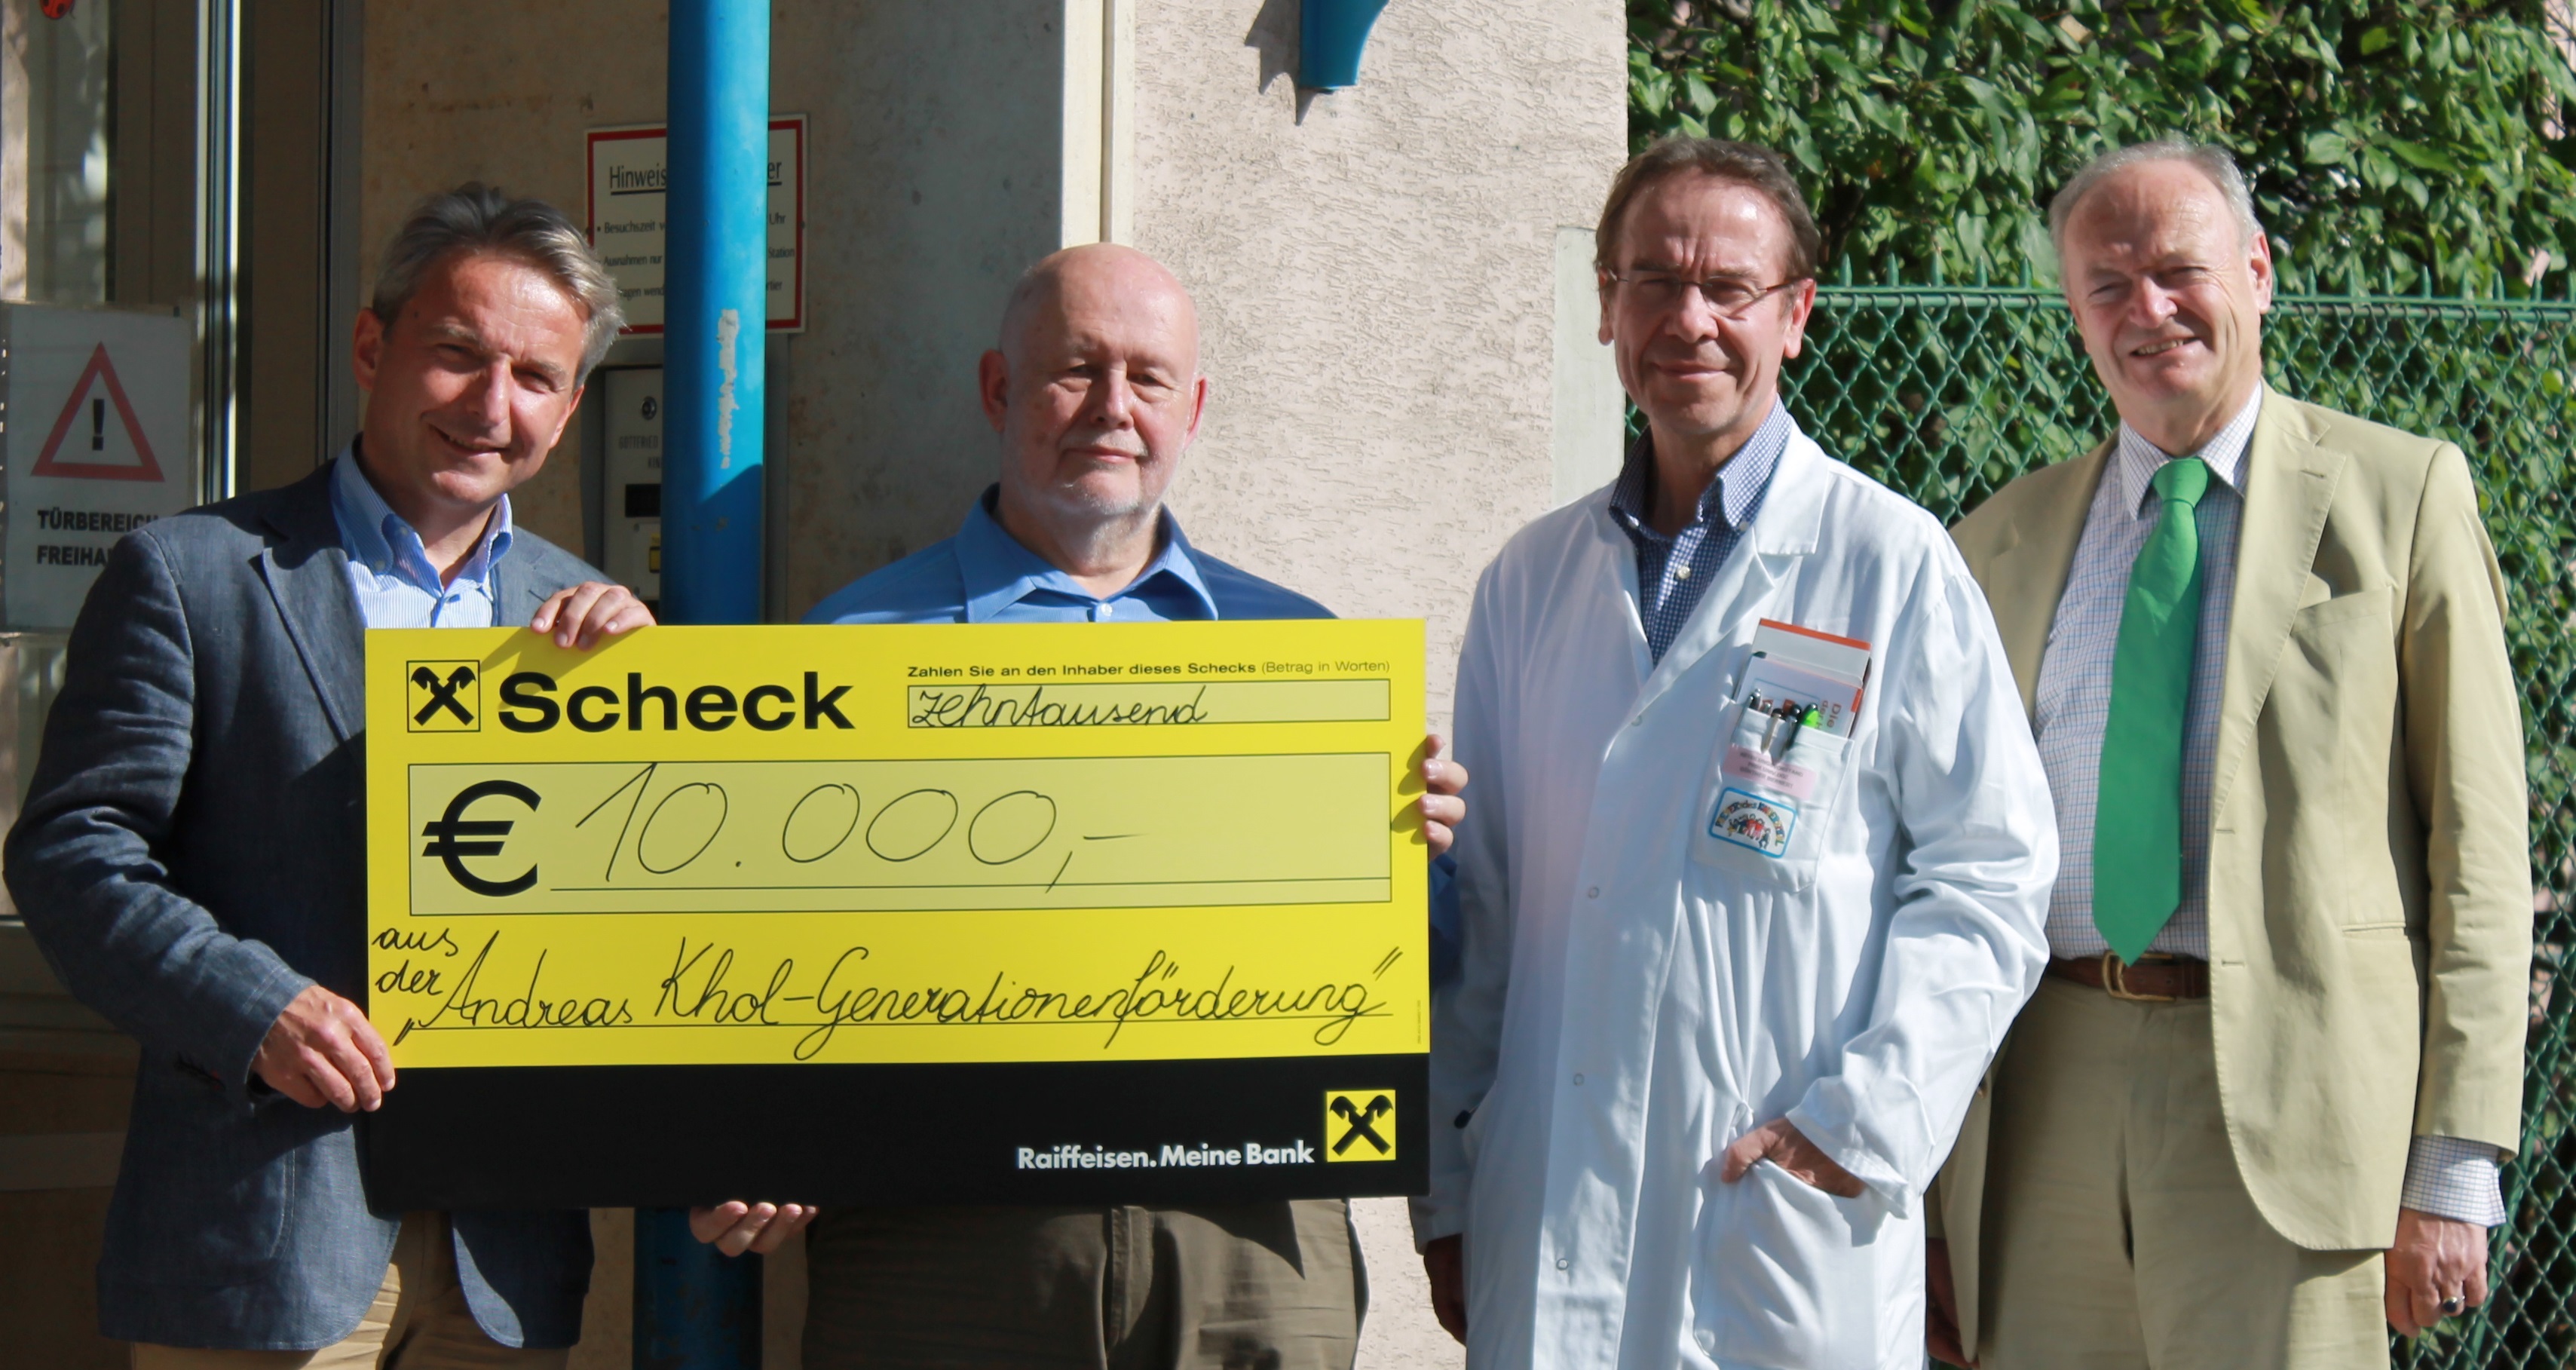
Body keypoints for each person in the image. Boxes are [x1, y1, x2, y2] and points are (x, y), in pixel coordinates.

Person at [690, 241, 1467, 1370]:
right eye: (1075, 369)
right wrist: (749, 1137)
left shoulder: (1304, 652)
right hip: (942, 1246)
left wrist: (1415, 862)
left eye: (1148, 377)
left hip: (1247, 1237)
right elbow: (749, 953)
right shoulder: (848, 650)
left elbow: (1426, 964)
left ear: (1191, 409)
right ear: (997, 388)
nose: (1113, 406)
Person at [1411, 136, 2057, 1369]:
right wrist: (1447, 1187)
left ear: (1795, 314)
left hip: (1771, 1215)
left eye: (1728, 288)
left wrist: (1858, 1124)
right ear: (1606, 304)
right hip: (1544, 1207)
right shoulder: (1527, 581)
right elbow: (1484, 912)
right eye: (1653, 280)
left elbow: (1991, 875)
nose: (1688, 319)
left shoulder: (1886, 562)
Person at [6, 185, 654, 1367]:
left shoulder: (590, 625)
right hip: (264, 1233)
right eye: (457, 353)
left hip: (503, 1256)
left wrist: (651, 717)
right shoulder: (191, 574)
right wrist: (250, 1005)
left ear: (567, 410)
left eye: (534, 377)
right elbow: (72, 853)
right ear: (371, 346)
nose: (491, 405)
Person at [1931, 139, 2534, 1367]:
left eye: (2178, 270)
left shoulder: (2401, 496)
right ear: (2073, 311)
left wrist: (2452, 1166)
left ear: (2255, 271)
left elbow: (2478, 854)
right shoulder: (1995, 537)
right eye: (2107, 285)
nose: (2146, 309)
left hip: (2297, 1107)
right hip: (2037, 1092)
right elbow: (1932, 850)